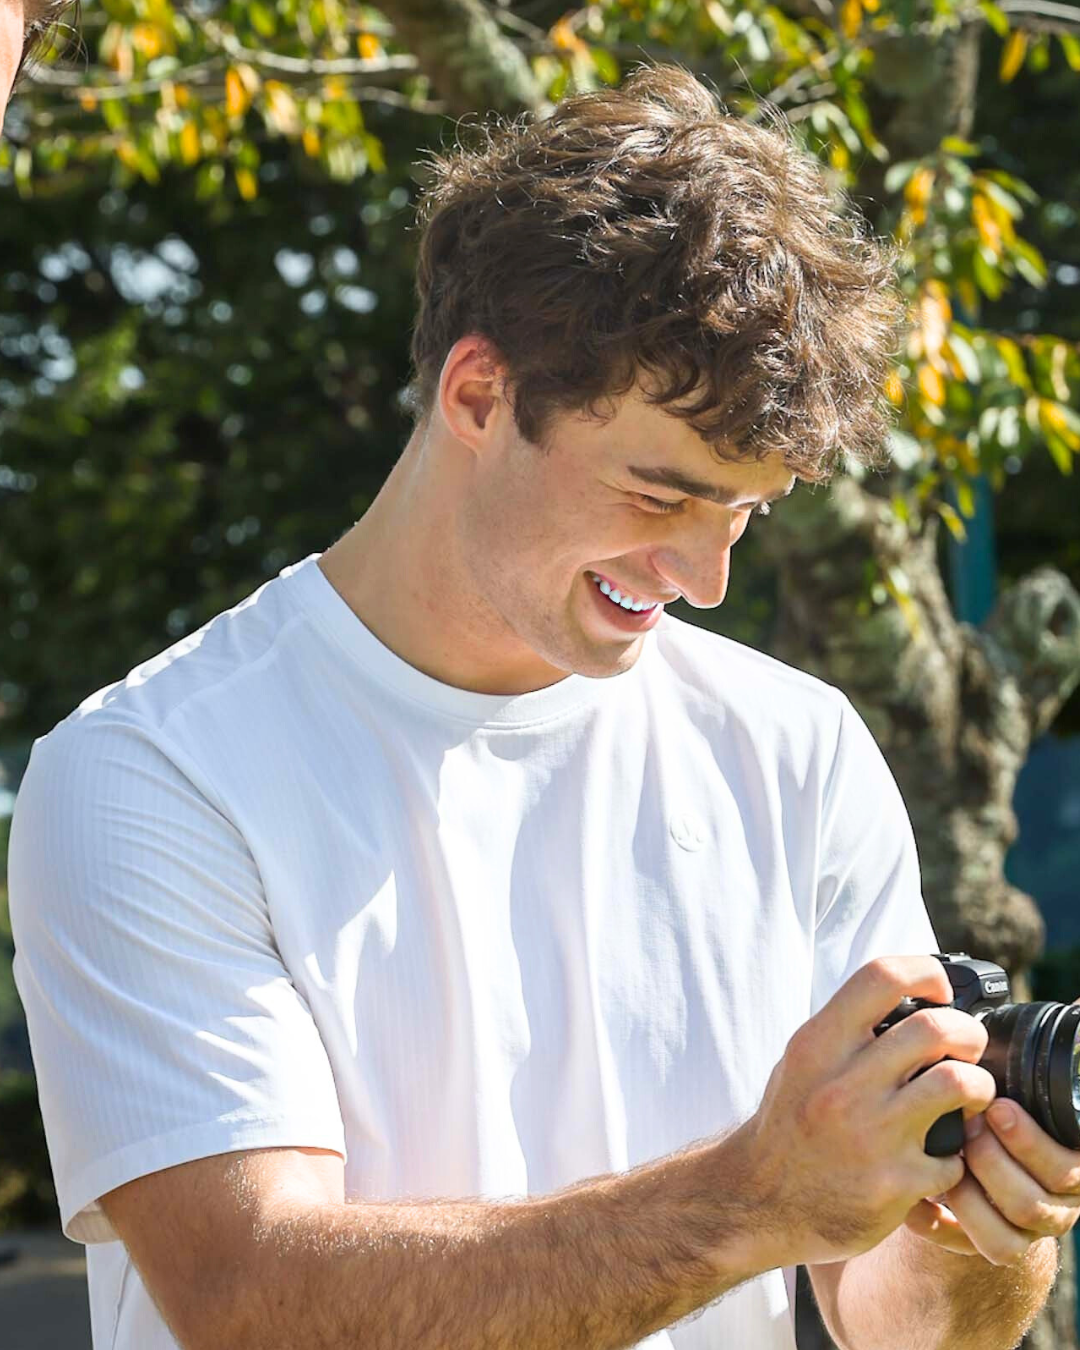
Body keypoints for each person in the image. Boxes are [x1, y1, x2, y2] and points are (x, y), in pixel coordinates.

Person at [7, 61, 1075, 1350]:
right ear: (476, 394)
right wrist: (752, 1200)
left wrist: (986, 1231)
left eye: (741, 515)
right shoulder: (152, 775)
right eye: (660, 495)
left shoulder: (800, 753)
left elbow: (899, 1328)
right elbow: (254, 1302)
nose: (706, 578)